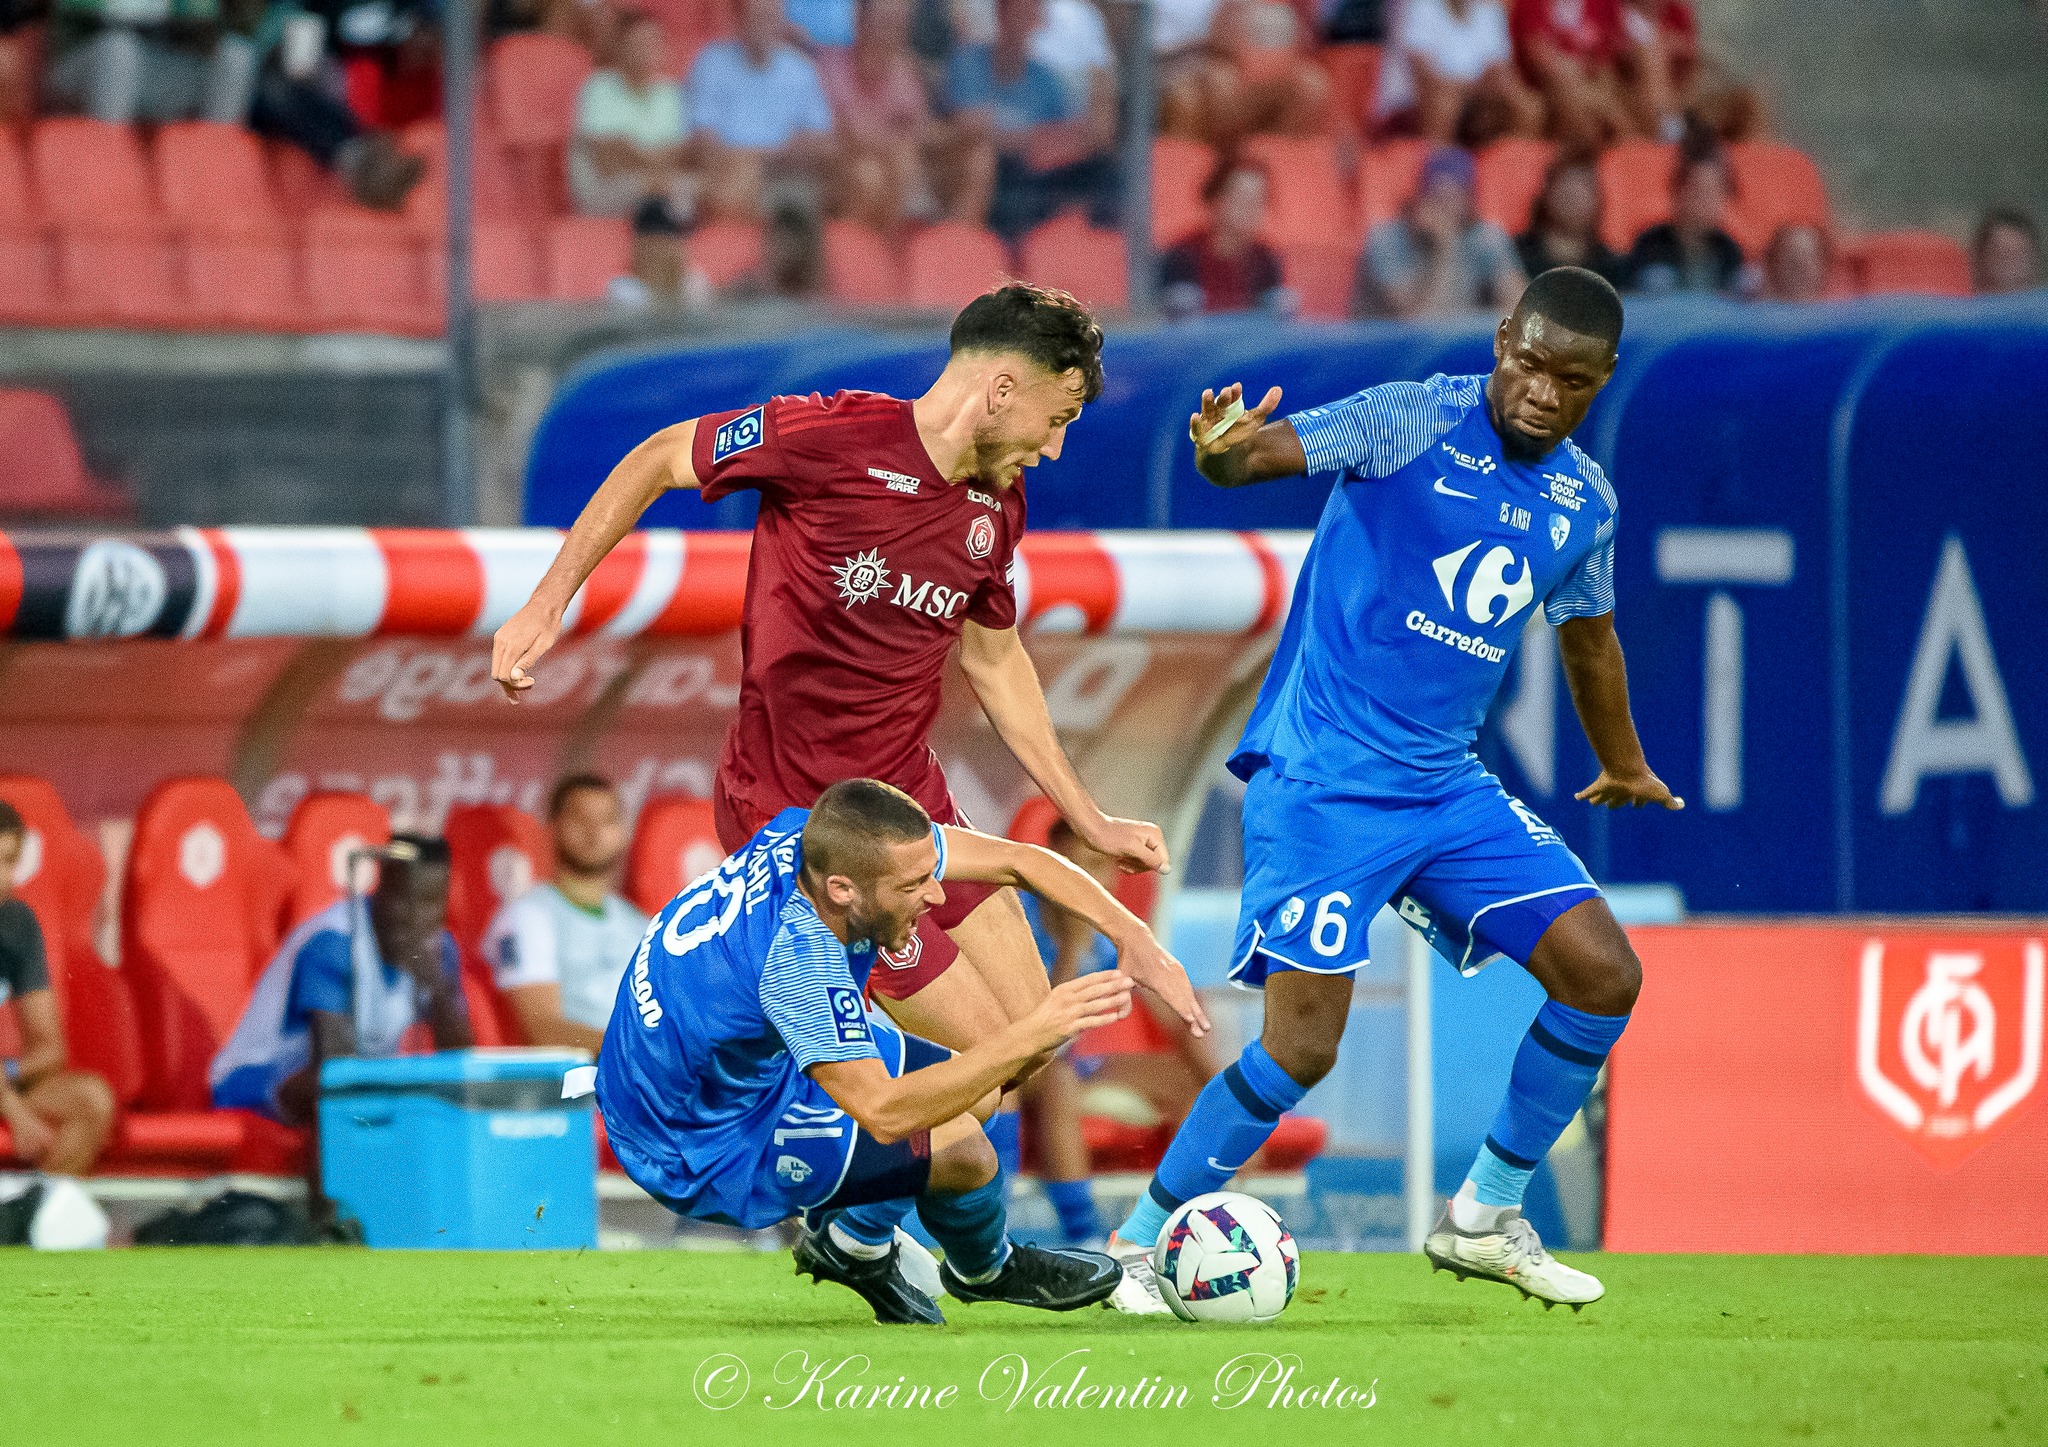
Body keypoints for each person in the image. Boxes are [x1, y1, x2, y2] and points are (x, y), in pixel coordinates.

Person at [490, 285, 1195, 1282]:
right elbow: (658, 456)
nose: (1055, 445)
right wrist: (546, 604)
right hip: (810, 828)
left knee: (1028, 1051)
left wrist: (1089, 815)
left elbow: (994, 660)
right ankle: (896, 1217)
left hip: (912, 805)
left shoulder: (995, 505)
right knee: (980, 1073)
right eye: (1059, 415)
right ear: (1002, 388)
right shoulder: (829, 437)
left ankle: (856, 1231)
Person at [1105, 267, 1681, 1314]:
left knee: (1602, 974)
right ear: (1501, 339)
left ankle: (1483, 1215)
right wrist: (1218, 448)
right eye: (1529, 364)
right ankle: (1137, 1246)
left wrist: (1624, 760)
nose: (1542, 393)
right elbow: (1255, 457)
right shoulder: (1411, 418)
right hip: (1323, 782)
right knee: (1300, 1048)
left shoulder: (1585, 502)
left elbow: (1590, 639)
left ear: (1599, 382)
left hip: (1445, 788)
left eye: (1571, 381)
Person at [587, 778, 1202, 1322]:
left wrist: (1132, 933)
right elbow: (885, 1113)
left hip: (725, 1068)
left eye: (928, 873)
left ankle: (854, 1245)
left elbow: (1018, 861)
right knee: (966, 1152)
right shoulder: (798, 963)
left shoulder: (817, 839)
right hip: (692, 1138)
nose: (935, 897)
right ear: (842, 890)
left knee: (980, 1089)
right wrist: (1033, 1031)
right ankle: (985, 1270)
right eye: (913, 886)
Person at [209, 836, 473, 1210]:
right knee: (340, 1088)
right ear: (381, 888)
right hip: (254, 1079)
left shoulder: (439, 949)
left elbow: (461, 1063)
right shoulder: (333, 941)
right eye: (403, 899)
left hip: (353, 1073)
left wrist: (440, 988)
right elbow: (335, 1066)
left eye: (430, 904)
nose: (414, 917)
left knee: (418, 1090)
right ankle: (331, 1220)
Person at [1010, 816, 1223, 1247]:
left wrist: (1230, 1100)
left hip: (1070, 1061)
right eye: (1074, 867)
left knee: (1187, 1082)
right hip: (1016, 1065)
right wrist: (1071, 948)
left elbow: (1178, 1017)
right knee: (1057, 1081)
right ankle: (1084, 1236)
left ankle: (1187, 1224)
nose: (1087, 880)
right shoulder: (1018, 918)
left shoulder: (1110, 929)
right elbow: (1036, 1031)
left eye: (1097, 867)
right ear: (1051, 865)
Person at [483, 775, 649, 1053]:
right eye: (580, 819)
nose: (594, 832)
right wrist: (641, 1051)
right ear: (552, 827)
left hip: (639, 1071)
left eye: (607, 820)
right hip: (579, 1076)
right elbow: (542, 1030)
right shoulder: (526, 916)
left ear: (623, 833)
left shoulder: (640, 923)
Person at [0, 802, 115, 1178]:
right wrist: (14, 1111)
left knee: (92, 1100)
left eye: (10, 862)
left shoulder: (16, 924)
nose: (5, 878)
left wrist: (8, 1072)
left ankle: (39, 1209)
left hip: (4, 1082)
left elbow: (50, 1049)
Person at [947, 0, 1119, 240]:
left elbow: (1072, 137)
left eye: (1032, 11)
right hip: (996, 179)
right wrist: (1036, 138)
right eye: (1022, 10)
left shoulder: (1043, 77)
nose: (1027, 18)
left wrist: (1028, 138)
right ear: (1002, 12)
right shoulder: (970, 62)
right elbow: (969, 128)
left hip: (1042, 179)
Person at [686, 0, 837, 221]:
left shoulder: (801, 69)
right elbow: (704, 140)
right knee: (737, 184)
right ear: (739, 21)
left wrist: (766, 159)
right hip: (729, 170)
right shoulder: (712, 64)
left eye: (772, 17)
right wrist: (757, 160)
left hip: (786, 174)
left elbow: (820, 139)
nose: (765, 25)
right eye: (757, 17)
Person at [1356, 144, 1526, 319]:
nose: (1444, 210)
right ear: (1419, 201)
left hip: (1456, 334)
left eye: (1454, 198)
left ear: (1470, 203)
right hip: (1383, 335)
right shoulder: (1387, 241)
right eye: (1437, 198)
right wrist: (1445, 248)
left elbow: (1519, 312)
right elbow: (1419, 323)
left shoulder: (1484, 237)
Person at [817, 0, 944, 230]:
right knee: (870, 175)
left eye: (899, 26)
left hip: (889, 171)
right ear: (860, 23)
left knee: (904, 164)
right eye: (886, 24)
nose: (893, 35)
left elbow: (919, 132)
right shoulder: (831, 67)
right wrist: (893, 137)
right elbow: (848, 133)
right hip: (836, 172)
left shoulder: (904, 73)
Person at [570, 8, 698, 219]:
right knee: (662, 193)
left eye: (654, 43)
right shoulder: (599, 88)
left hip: (662, 183)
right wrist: (656, 159)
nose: (648, 50)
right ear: (621, 48)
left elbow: (682, 153)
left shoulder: (671, 93)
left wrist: (636, 153)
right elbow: (607, 160)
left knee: (704, 188)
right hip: (606, 187)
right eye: (639, 43)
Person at [1375, 0, 1541, 145]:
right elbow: (1425, 75)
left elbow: (1499, 71)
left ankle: (1514, 166)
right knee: (1443, 103)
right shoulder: (1420, 6)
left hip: (1471, 95)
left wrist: (1485, 89)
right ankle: (1439, 166)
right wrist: (1472, 88)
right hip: (1414, 103)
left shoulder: (1489, 9)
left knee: (1525, 106)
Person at [1158, 153, 1289, 319]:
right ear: (1217, 200)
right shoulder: (1183, 257)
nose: (1252, 209)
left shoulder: (1266, 260)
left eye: (1260, 201)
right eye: (1243, 199)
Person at [1623, 142, 1744, 295]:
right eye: (1700, 193)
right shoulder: (1649, 245)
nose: (1709, 203)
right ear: (1677, 193)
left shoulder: (1729, 250)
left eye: (1717, 194)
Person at [1514, 151, 1624, 287]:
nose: (1575, 198)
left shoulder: (1612, 267)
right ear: (1548, 193)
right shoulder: (1517, 257)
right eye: (1567, 187)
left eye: (1585, 188)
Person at [606, 195, 714, 311]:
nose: (659, 250)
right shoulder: (622, 289)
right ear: (637, 247)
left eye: (667, 242)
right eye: (651, 244)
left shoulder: (695, 282)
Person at [1971, 207, 2040, 296]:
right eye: (2001, 254)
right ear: (1979, 256)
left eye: (2018, 256)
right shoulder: (1959, 302)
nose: (2010, 265)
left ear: (2032, 260)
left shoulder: (2042, 302)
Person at [1757, 222, 1830, 304]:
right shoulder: (1756, 307)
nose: (1802, 269)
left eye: (1809, 259)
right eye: (1793, 260)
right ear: (1773, 266)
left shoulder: (1835, 307)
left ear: (1824, 267)